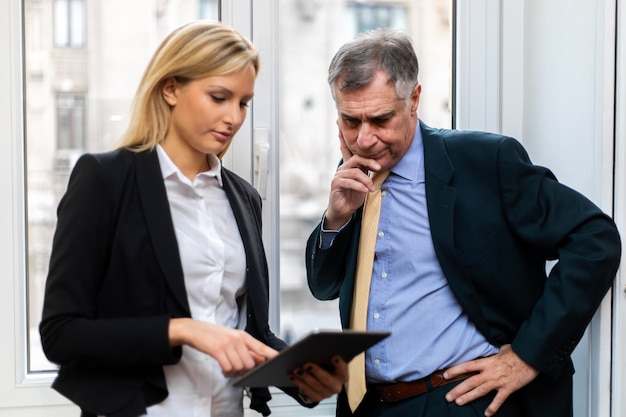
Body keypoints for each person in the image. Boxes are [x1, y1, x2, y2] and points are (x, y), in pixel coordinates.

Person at [305, 27, 621, 417]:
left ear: (414, 99)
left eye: (381, 119)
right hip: (368, 405)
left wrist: (527, 356)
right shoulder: (353, 173)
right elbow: (324, 287)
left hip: (460, 402)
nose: (365, 139)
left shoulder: (485, 162)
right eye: (350, 121)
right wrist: (336, 218)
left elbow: (594, 239)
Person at [39, 20, 347, 417]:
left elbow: (247, 333)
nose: (234, 117)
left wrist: (306, 377)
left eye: (243, 102)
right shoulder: (106, 181)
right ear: (170, 88)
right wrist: (182, 329)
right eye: (219, 97)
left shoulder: (243, 197)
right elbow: (61, 333)